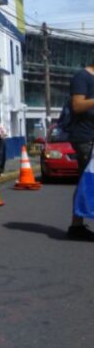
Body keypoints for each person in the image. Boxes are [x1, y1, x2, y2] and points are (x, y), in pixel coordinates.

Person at [67, 60, 94, 240]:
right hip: (86, 137)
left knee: (85, 181)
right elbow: (77, 105)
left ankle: (76, 225)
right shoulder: (82, 77)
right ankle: (76, 226)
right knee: (88, 180)